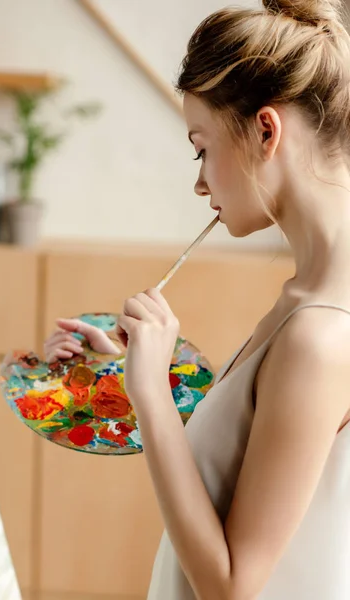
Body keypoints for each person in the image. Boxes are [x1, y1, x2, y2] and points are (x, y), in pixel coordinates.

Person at [45, 0, 350, 597]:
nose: (200, 180)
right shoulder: (305, 298)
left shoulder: (321, 334)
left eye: (200, 146)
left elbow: (231, 586)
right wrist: (129, 376)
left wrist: (153, 395)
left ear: (266, 130)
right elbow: (243, 462)